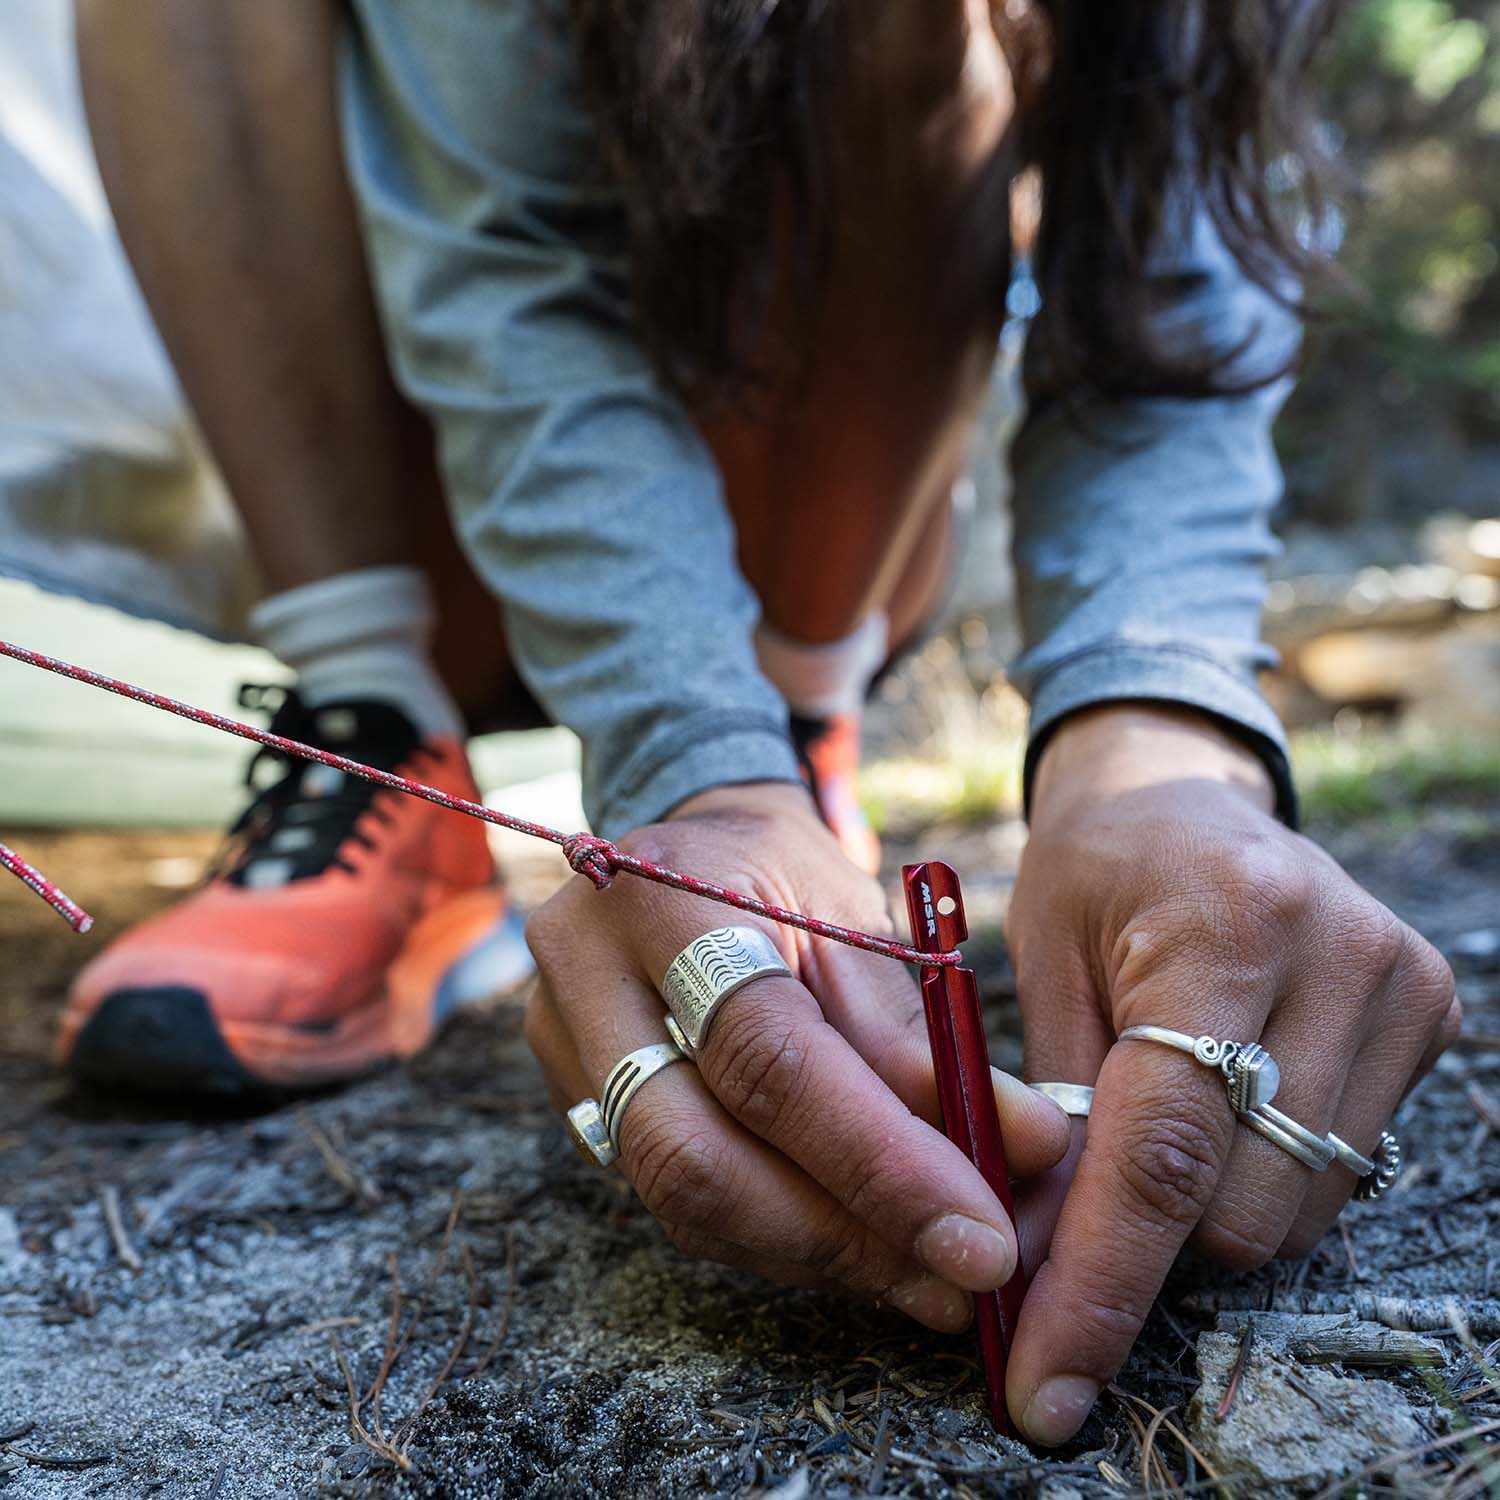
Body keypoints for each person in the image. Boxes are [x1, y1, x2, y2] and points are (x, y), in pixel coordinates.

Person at [62, 0, 1459, 1447]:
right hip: (417, 482)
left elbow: (1179, 293)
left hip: (816, 527)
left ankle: (802, 716)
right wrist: (691, 756)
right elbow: (505, 278)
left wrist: (1156, 750)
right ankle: (379, 739)